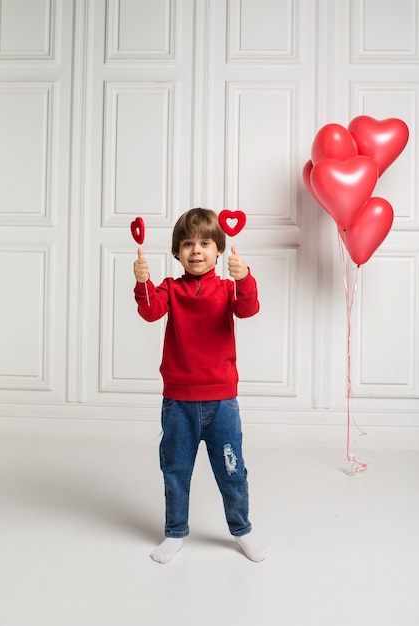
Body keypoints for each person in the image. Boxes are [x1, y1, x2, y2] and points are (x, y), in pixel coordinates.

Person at [133, 208, 266, 564]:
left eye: (205, 243)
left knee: (232, 471)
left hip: (222, 401)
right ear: (177, 252)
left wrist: (245, 278)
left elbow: (248, 308)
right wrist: (142, 282)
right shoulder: (170, 289)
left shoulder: (226, 288)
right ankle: (175, 533)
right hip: (178, 402)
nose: (196, 250)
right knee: (175, 471)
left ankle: (243, 530)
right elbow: (149, 311)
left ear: (218, 249)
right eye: (188, 244)